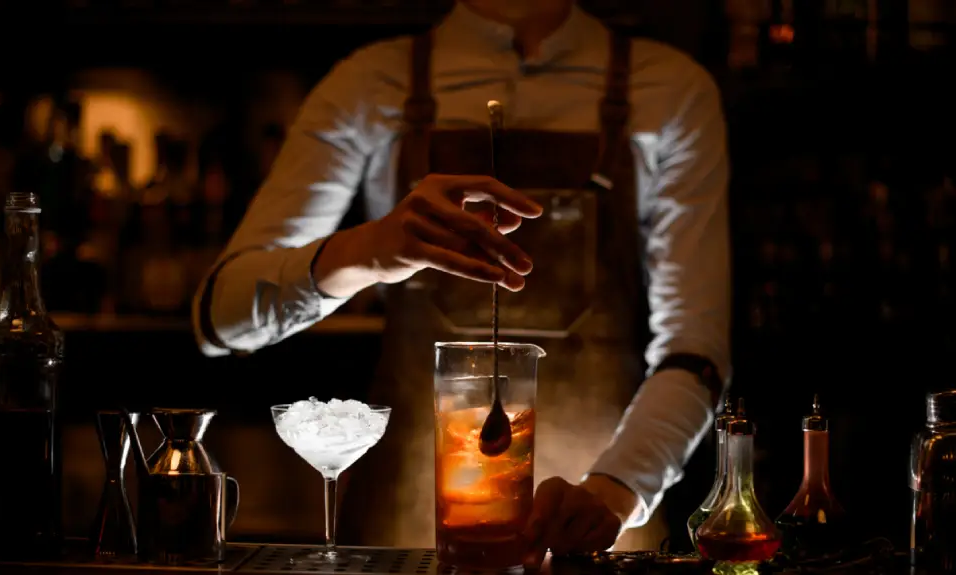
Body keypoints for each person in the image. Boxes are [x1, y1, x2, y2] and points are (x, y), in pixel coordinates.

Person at [193, 0, 729, 562]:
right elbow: (220, 318)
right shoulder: (372, 82)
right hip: (402, 539)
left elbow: (697, 348)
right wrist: (369, 252)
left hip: (596, 537)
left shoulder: (670, 91)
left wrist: (616, 490)